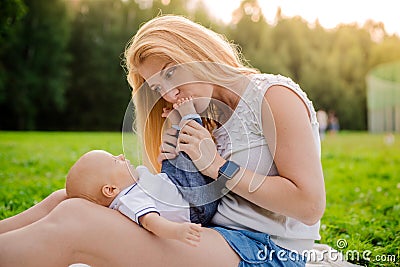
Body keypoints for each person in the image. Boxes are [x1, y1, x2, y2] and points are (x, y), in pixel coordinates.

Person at [0, 15, 325, 267]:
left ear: (196, 51)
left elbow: (308, 206)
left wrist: (215, 166)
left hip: (266, 250)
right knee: (71, 200)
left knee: (77, 221)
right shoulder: (203, 111)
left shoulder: (274, 97)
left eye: (170, 72)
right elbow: (193, 201)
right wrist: (177, 164)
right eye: (157, 87)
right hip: (213, 234)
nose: (168, 95)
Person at [65, 149, 203, 247]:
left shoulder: (130, 190)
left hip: (178, 186)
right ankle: (186, 116)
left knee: (176, 145)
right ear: (111, 190)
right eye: (115, 161)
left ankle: (180, 119)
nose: (121, 156)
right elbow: (151, 221)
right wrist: (177, 231)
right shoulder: (129, 200)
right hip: (192, 204)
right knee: (188, 145)